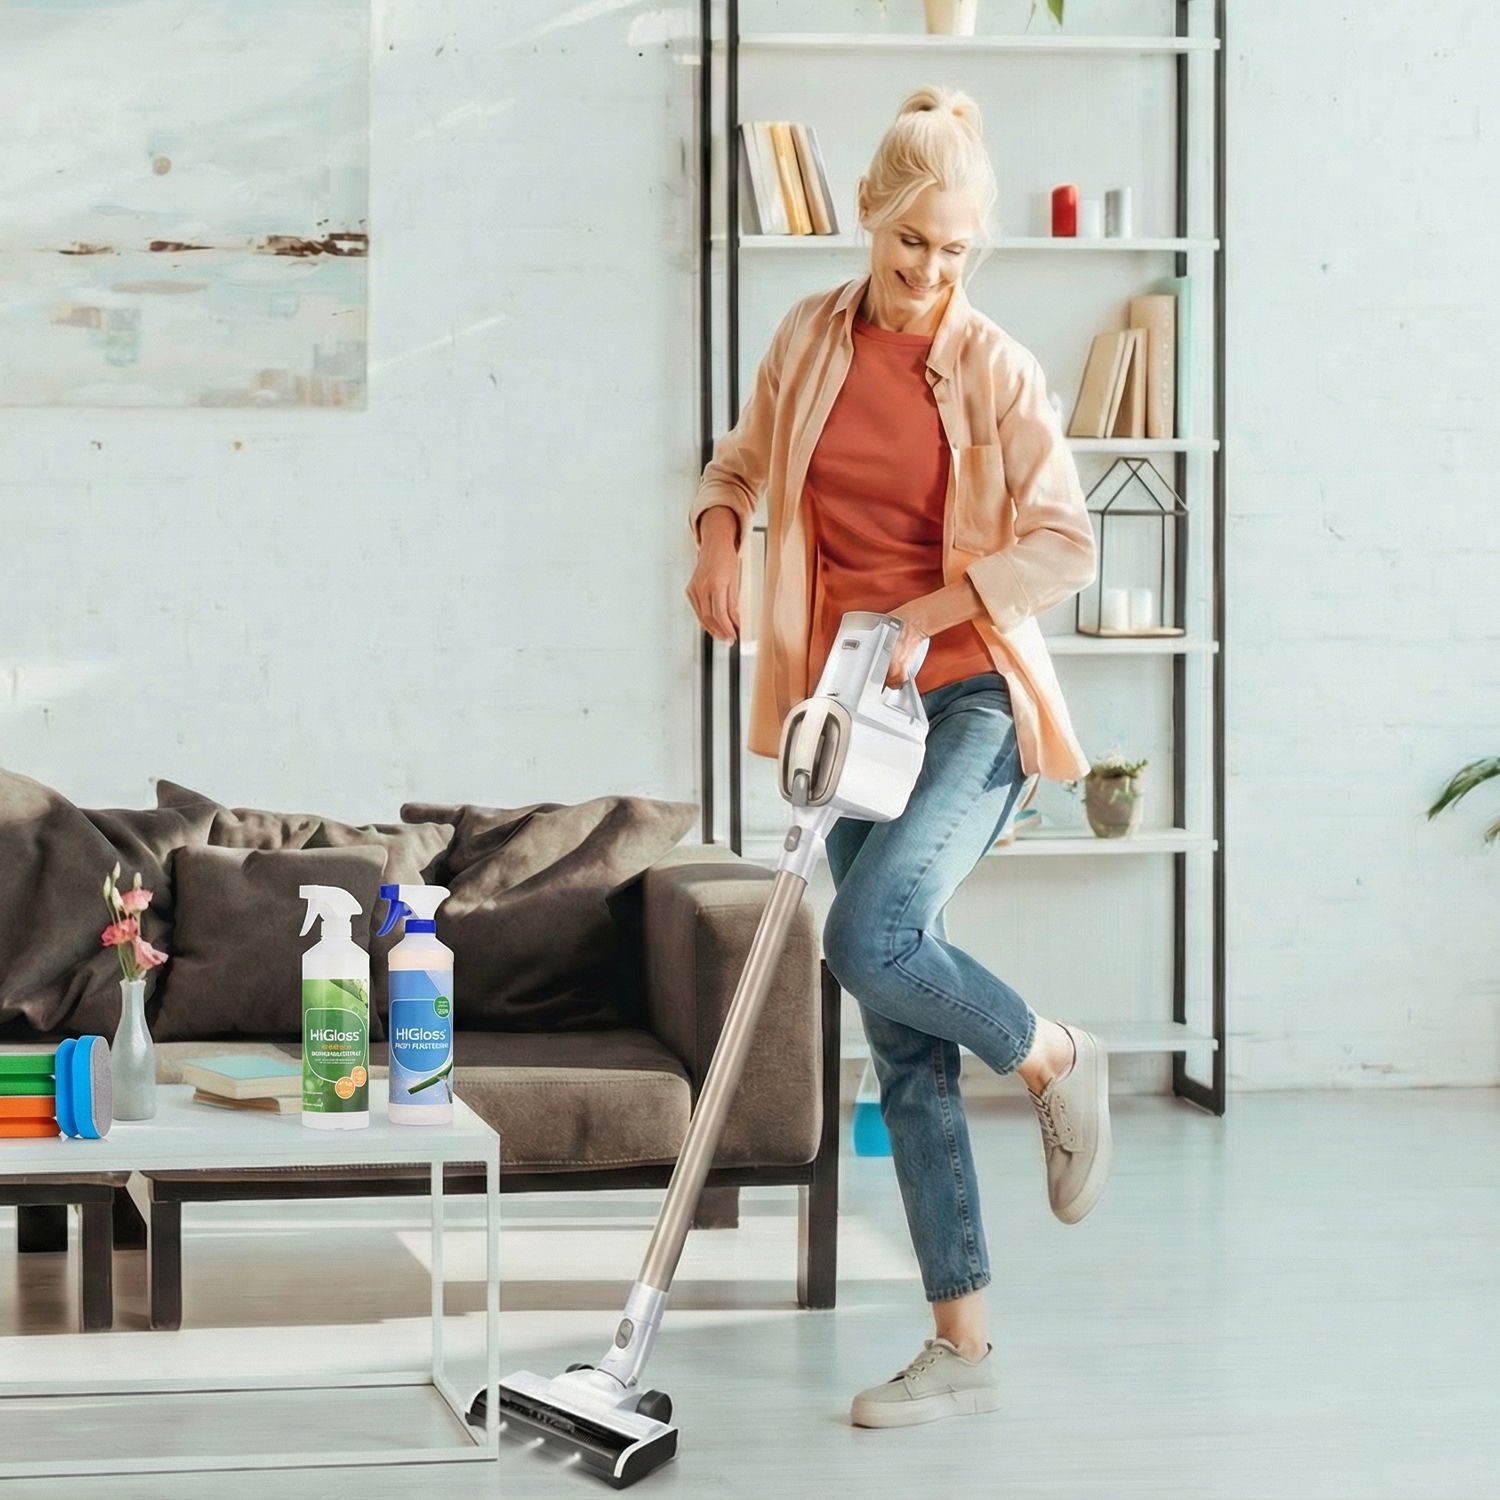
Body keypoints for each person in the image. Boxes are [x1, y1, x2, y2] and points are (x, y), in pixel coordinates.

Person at [685, 84, 1113, 1430]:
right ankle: (959, 1341)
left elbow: (1067, 541)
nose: (930, 272)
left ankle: (1051, 1055)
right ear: (870, 218)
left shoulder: (997, 366)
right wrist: (716, 537)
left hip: (971, 702)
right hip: (853, 711)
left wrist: (935, 609)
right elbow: (743, 464)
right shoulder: (810, 337)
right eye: (911, 242)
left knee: (868, 937)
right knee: (903, 1033)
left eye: (956, 251)